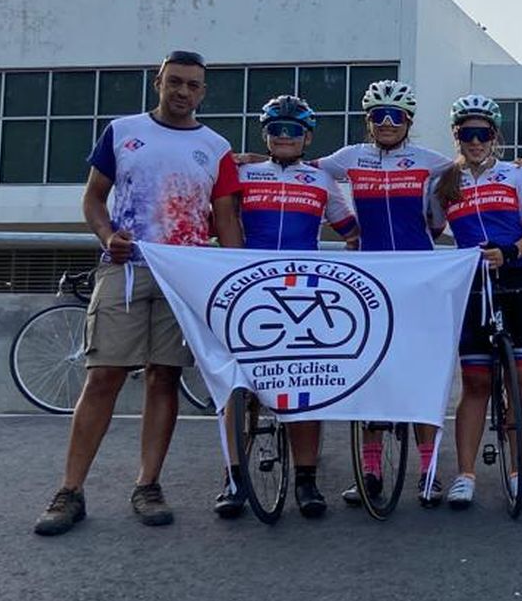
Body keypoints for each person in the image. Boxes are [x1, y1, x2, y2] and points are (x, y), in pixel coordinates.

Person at [33, 50, 243, 536]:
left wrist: (232, 276)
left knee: (163, 378)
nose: (183, 92)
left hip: (183, 277)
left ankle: (148, 484)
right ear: (158, 82)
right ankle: (70, 490)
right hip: (125, 270)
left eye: (192, 85)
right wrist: (107, 236)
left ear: (203, 92)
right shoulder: (122, 130)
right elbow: (92, 197)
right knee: (103, 375)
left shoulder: (215, 146)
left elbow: (227, 218)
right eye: (175, 82)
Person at [215, 95, 358, 520]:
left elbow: (352, 230)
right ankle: (234, 478)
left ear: (308, 137)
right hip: (251, 290)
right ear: (265, 134)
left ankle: (306, 481)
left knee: (302, 386)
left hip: (302, 293)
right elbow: (214, 217)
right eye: (276, 129)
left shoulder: (319, 181)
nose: (284, 136)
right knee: (238, 388)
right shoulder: (244, 172)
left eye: (293, 130)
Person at [314, 79, 455, 506]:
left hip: (417, 277)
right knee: (370, 374)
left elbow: (461, 170)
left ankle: (429, 471)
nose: (388, 123)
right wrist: (347, 228)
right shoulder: (351, 158)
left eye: (397, 116)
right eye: (380, 116)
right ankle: (370, 470)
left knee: (420, 377)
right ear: (368, 121)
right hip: (371, 278)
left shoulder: (429, 161)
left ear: (409, 121)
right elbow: (310, 172)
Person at [436, 94, 522, 509]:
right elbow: (427, 230)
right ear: (457, 136)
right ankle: (465, 475)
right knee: (477, 382)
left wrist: (510, 253)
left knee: (521, 379)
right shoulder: (445, 182)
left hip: (520, 278)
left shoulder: (518, 175)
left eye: (483, 133)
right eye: (468, 133)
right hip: (473, 284)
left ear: (495, 136)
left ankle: (520, 472)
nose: (476, 141)